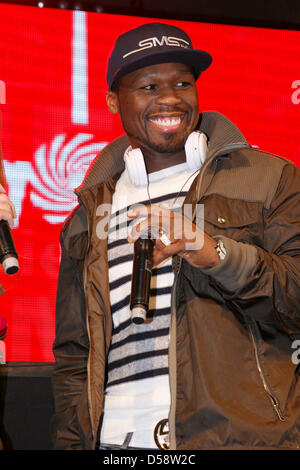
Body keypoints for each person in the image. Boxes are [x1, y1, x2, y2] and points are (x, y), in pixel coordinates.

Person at [51, 22, 300, 450]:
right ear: (114, 100)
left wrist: (215, 252)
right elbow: (76, 356)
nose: (169, 98)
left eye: (182, 83)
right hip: (117, 440)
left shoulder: (269, 179)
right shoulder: (87, 214)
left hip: (237, 437)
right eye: (148, 86)